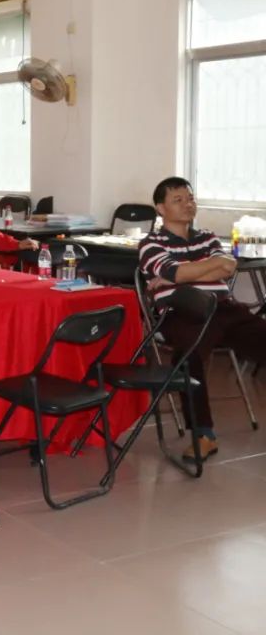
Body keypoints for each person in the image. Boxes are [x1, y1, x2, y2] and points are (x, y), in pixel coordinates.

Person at [138, 176, 265, 462]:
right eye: (178, 200)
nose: (188, 204)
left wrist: (181, 273)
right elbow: (178, 273)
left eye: (190, 198)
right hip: (182, 312)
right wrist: (201, 268)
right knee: (188, 357)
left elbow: (228, 267)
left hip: (223, 308)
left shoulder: (206, 236)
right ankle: (203, 434)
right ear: (161, 208)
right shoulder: (150, 243)